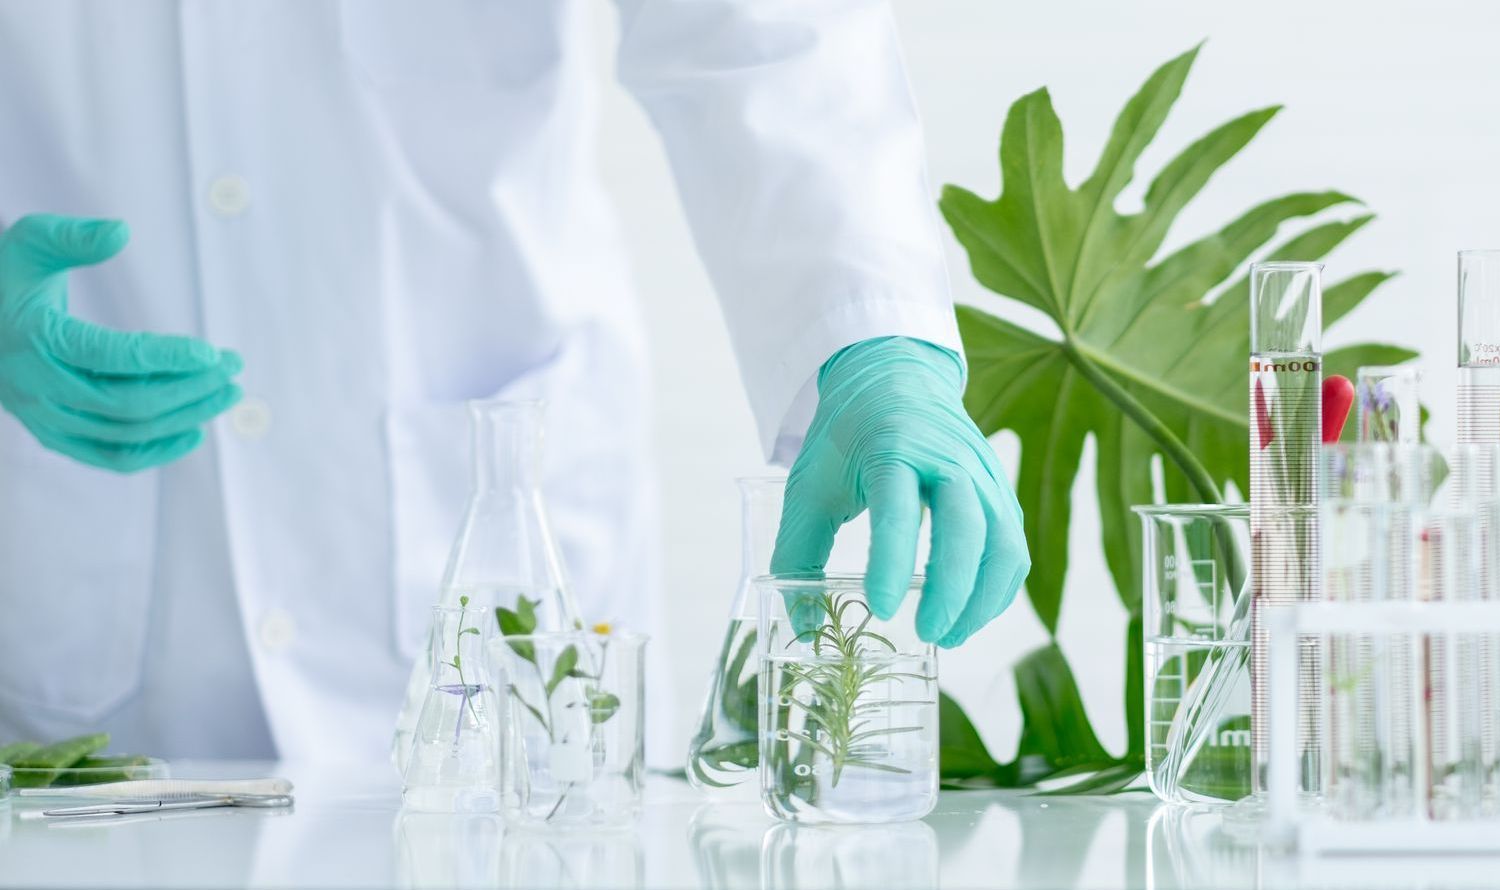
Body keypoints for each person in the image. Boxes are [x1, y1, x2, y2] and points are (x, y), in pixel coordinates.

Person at [0, 0, 1028, 765]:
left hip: (494, 518)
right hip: (80, 603)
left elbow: (760, 34)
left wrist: (871, 335)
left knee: (532, 803)